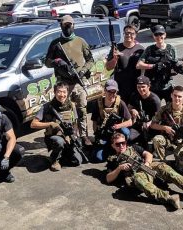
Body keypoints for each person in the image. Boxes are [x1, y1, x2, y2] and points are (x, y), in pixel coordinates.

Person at [106, 132, 183, 209]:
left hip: (147, 167)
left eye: (123, 143)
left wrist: (147, 163)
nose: (121, 146)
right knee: (137, 178)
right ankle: (169, 198)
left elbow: (148, 154)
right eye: (117, 144)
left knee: (164, 167)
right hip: (139, 176)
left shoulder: (133, 147)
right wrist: (119, 168)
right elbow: (108, 178)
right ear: (112, 145)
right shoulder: (113, 159)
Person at [45, 15, 94, 146]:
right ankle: (71, 136)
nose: (67, 27)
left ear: (73, 26)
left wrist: (82, 71)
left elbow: (90, 60)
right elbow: (47, 62)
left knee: (82, 110)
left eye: (69, 25)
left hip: (78, 82)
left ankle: (84, 136)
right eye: (64, 25)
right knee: (66, 112)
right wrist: (58, 62)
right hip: (64, 85)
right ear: (60, 26)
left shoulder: (81, 41)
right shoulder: (55, 43)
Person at [30, 82, 83, 171]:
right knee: (59, 142)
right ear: (54, 92)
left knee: (77, 161)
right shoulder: (47, 107)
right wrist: (50, 124)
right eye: (59, 92)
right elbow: (33, 124)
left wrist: (74, 136)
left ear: (67, 93)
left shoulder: (71, 105)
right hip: (53, 137)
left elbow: (75, 123)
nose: (62, 95)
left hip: (67, 137)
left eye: (64, 92)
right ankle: (54, 159)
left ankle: (63, 153)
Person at [150, 86, 183, 174]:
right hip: (167, 139)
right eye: (175, 95)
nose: (177, 98)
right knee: (157, 139)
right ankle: (162, 163)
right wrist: (164, 128)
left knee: (182, 170)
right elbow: (152, 125)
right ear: (171, 95)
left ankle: (177, 164)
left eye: (179, 96)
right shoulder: (164, 110)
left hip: (181, 142)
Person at [90, 79, 132, 162]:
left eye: (114, 92)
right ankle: (110, 150)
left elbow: (130, 122)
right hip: (104, 132)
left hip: (117, 132)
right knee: (98, 158)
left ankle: (122, 149)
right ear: (105, 91)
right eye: (109, 91)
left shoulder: (120, 103)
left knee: (126, 132)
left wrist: (118, 126)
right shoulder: (98, 103)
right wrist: (96, 134)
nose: (112, 94)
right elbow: (94, 121)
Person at [136, 24, 177, 103]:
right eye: (156, 34)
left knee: (171, 110)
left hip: (167, 86)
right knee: (153, 111)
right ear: (153, 36)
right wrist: (154, 66)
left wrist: (173, 70)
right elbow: (138, 65)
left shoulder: (171, 49)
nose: (159, 37)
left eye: (161, 34)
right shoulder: (149, 49)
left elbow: (175, 66)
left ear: (165, 35)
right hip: (153, 87)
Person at [105, 25, 145, 104]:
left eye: (131, 33)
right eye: (126, 33)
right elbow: (108, 67)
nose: (129, 35)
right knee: (121, 110)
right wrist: (115, 58)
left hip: (136, 86)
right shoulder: (116, 48)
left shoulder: (141, 49)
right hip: (120, 86)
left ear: (135, 35)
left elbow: (145, 68)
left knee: (135, 110)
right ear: (123, 34)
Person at [128, 75, 161, 148]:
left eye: (143, 87)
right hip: (139, 124)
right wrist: (132, 110)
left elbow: (159, 118)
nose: (141, 89)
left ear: (148, 86)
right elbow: (129, 107)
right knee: (129, 138)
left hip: (152, 125)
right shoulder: (134, 95)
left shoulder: (155, 100)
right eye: (138, 87)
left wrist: (149, 124)